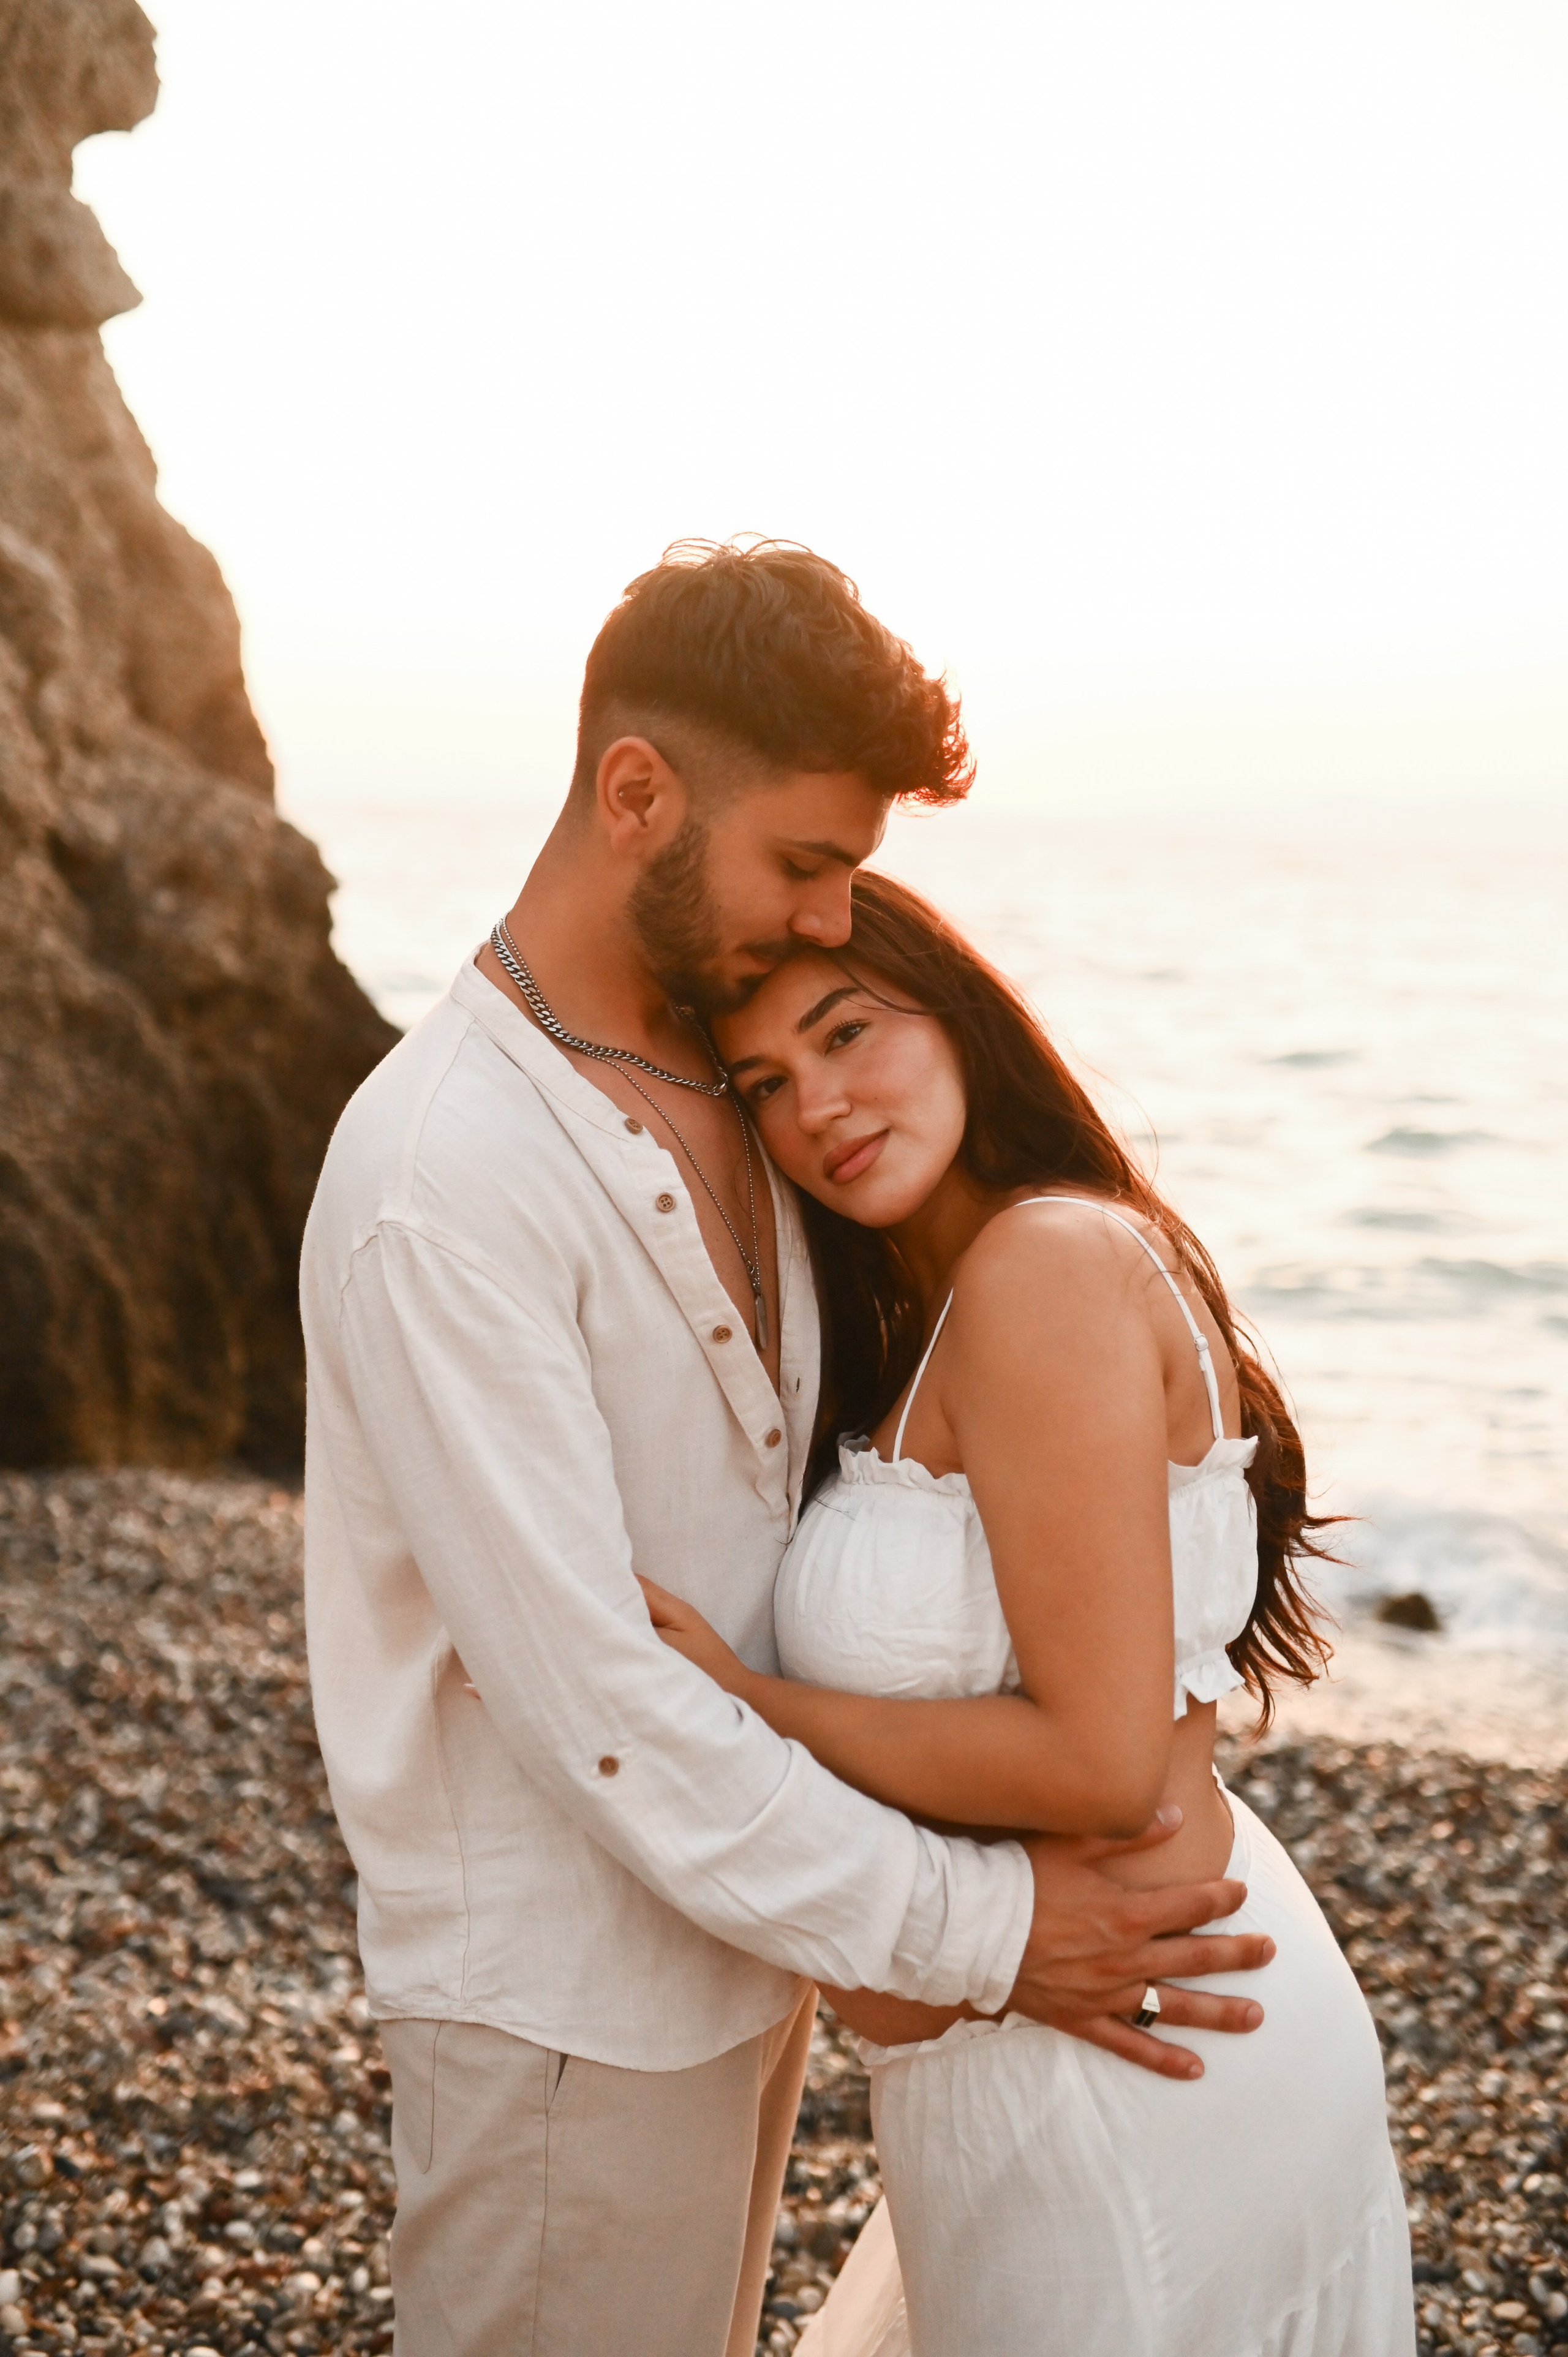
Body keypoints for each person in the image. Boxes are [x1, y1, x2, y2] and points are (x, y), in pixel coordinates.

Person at [301, 541, 1276, 2357]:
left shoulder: (734, 1085)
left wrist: (1140, 1755)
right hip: (563, 2014)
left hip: (763, 1957)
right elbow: (604, 1699)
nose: (832, 921)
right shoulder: (442, 1182)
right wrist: (989, 1934)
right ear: (638, 796)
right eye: (807, 865)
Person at [644, 869, 1417, 2356]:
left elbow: (1104, 1760)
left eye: (847, 1031)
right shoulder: (946, 1301)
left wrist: (751, 1702)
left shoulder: (1042, 1266)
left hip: (1136, 2069)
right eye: (766, 1081)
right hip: (1058, 2032)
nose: (818, 1104)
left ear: (957, 1013)